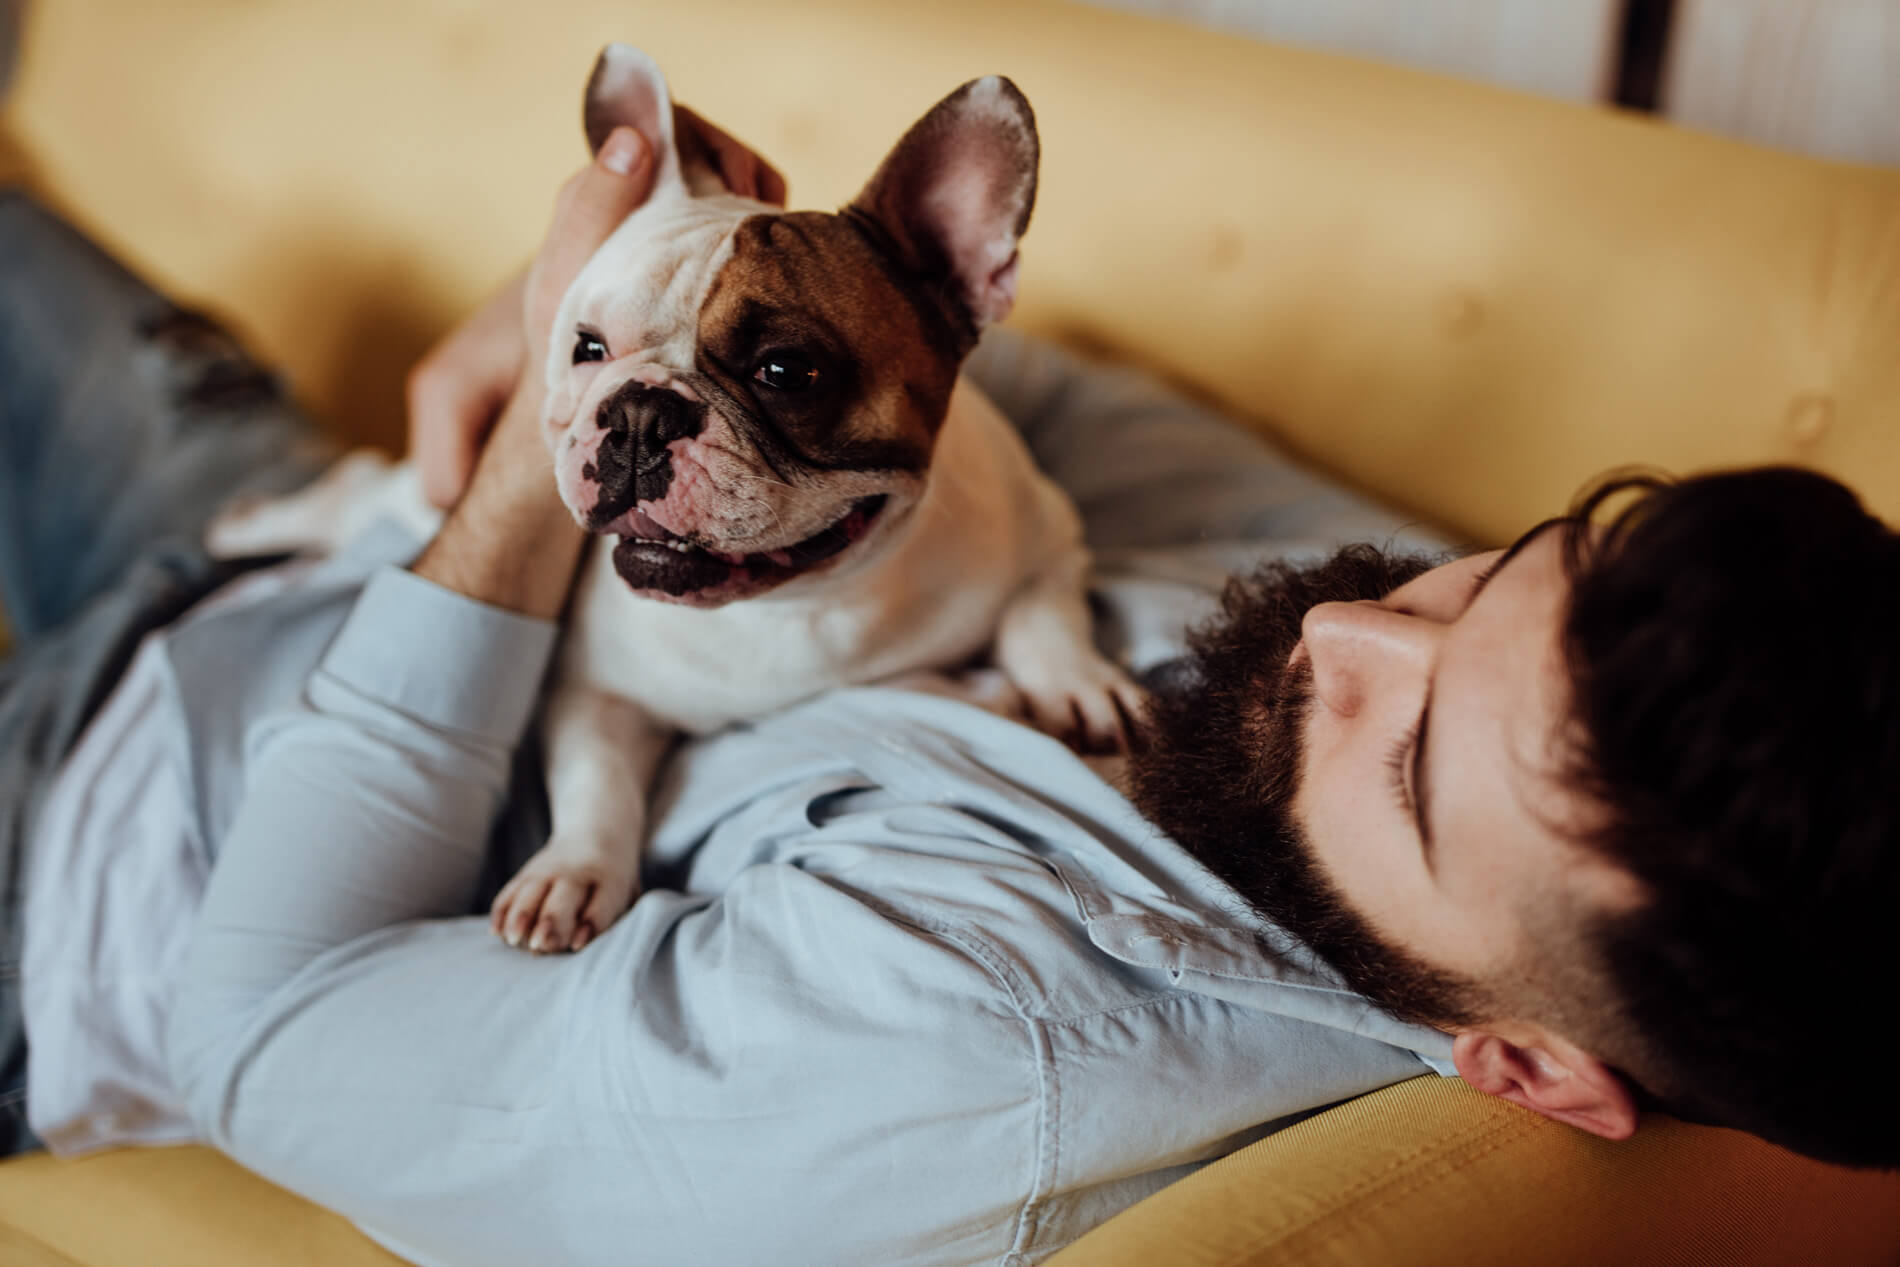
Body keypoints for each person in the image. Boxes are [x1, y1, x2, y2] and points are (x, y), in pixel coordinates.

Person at [0, 114, 1892, 1266]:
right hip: (296, 518)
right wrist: (581, 322)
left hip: (85, 847)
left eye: (1399, 765)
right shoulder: (1461, 664)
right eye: (1480, 573)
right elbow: (995, 386)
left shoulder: (968, 1048)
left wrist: (525, 482)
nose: (1346, 633)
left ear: (1525, 1069)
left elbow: (258, 1023)